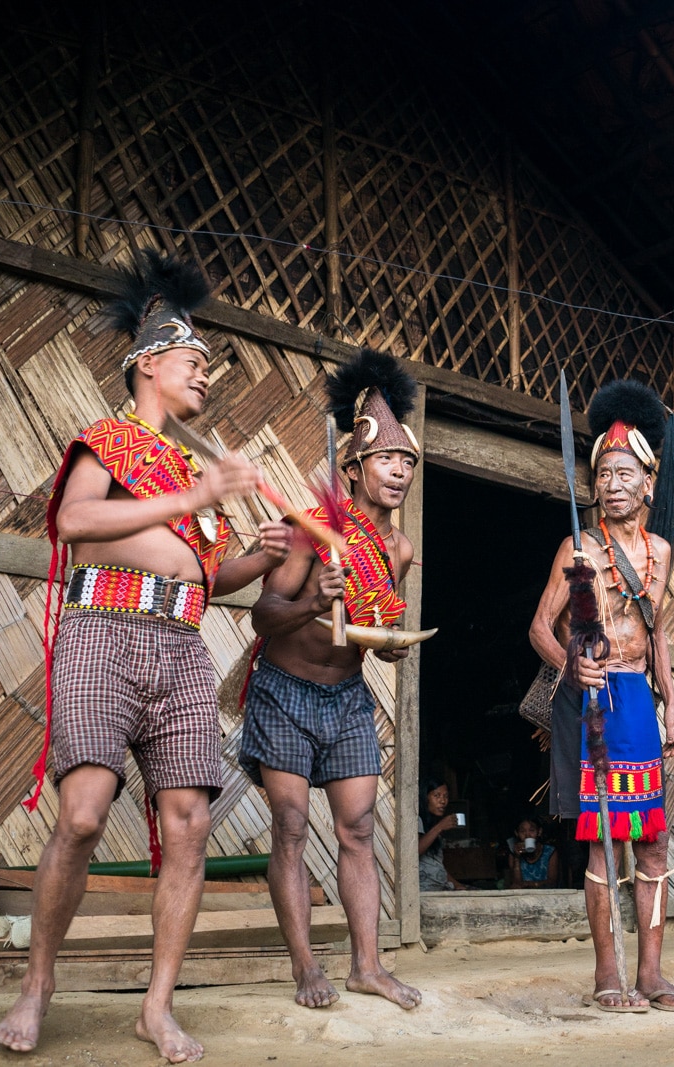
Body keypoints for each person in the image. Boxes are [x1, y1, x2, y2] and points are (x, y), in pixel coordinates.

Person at [0, 251, 291, 1061]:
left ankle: (156, 1005)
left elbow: (203, 575)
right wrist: (196, 496)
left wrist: (260, 557)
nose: (207, 377)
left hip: (182, 646)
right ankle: (38, 985)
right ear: (148, 365)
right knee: (84, 814)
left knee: (190, 824)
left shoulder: (189, 469)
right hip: (102, 632)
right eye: (196, 363)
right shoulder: (108, 440)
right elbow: (74, 524)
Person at [243, 347, 424, 1010]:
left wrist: (393, 649)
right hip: (284, 690)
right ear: (353, 467)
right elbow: (264, 614)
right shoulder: (312, 532)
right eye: (386, 460)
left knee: (358, 828)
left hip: (348, 698)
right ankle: (304, 969)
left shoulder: (398, 550)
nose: (399, 471)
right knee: (291, 826)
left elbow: (372, 640)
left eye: (407, 461)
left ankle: (367, 965)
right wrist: (316, 601)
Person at [529, 379, 674, 1013]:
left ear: (649, 483)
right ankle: (608, 974)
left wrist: (672, 700)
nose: (614, 483)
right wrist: (571, 662)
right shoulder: (578, 549)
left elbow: (659, 635)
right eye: (603, 473)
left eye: (625, 472)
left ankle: (650, 975)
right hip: (592, 703)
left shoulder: (659, 551)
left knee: (652, 841)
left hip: (639, 704)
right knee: (604, 837)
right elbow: (540, 627)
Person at [418, 778, 467, 891]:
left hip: (440, 886)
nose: (443, 801)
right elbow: (414, 851)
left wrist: (457, 885)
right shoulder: (416, 820)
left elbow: (437, 865)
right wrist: (439, 827)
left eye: (446, 796)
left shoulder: (433, 826)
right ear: (425, 797)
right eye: (437, 795)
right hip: (423, 889)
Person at [506, 817, 561, 889]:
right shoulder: (513, 854)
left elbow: (552, 881)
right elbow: (517, 884)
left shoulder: (549, 852)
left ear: (539, 831)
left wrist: (530, 884)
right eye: (522, 831)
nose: (527, 835)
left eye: (531, 831)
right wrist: (517, 857)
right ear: (517, 833)